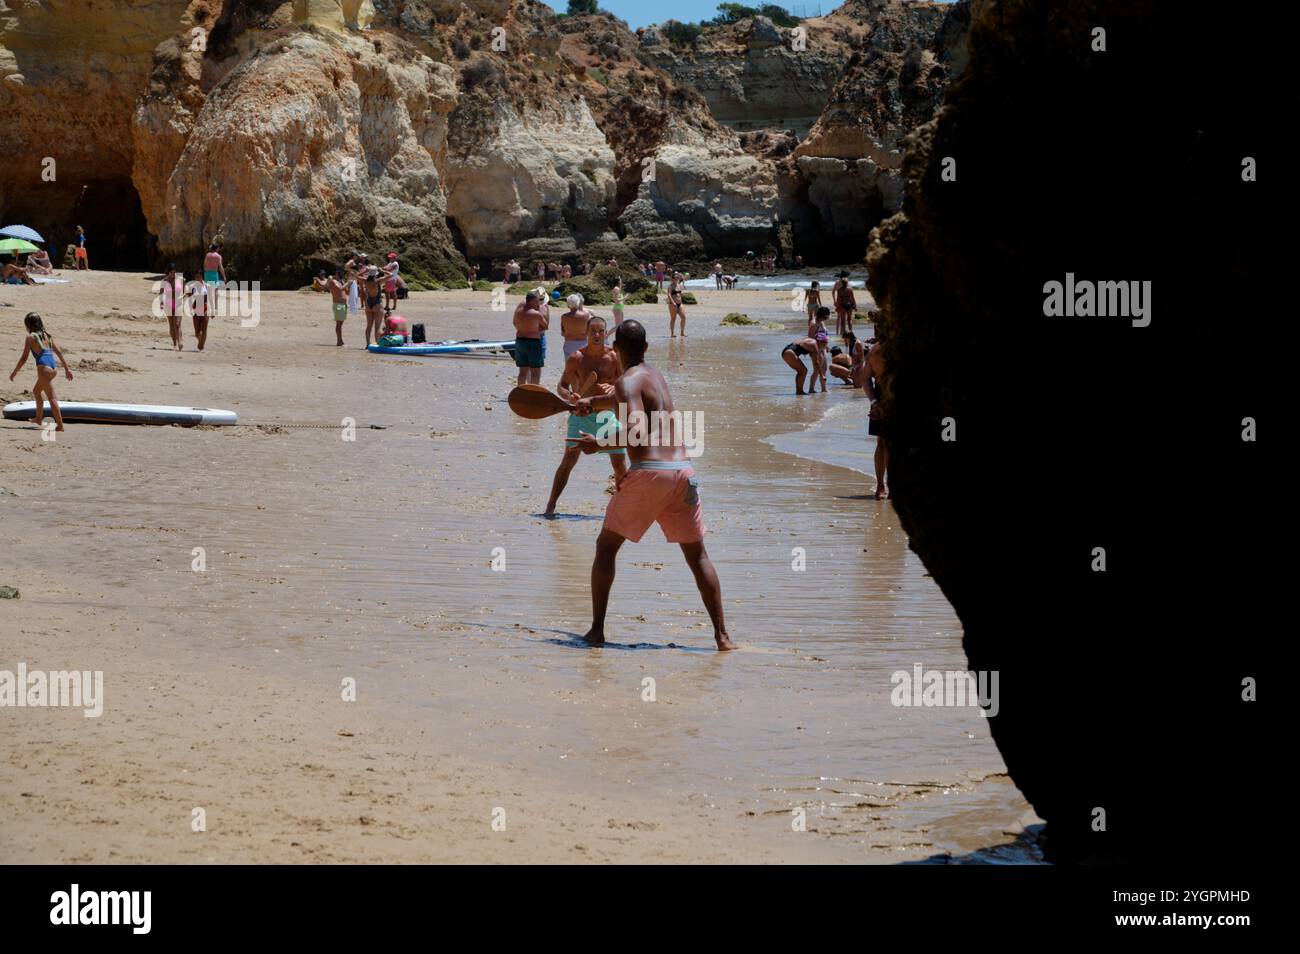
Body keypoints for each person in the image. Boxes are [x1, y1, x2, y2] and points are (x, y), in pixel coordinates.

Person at [571, 319, 735, 651]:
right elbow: (640, 407)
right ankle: (722, 637)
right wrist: (593, 403)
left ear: (615, 351)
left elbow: (636, 429)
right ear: (645, 348)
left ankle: (597, 630)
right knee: (697, 555)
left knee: (606, 547)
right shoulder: (655, 376)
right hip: (683, 471)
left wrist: (597, 443)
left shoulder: (625, 382)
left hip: (651, 473)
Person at [544, 316, 627, 516]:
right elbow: (562, 385)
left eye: (601, 331)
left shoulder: (615, 357)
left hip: (607, 416)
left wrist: (614, 386)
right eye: (593, 331)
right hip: (580, 415)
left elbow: (628, 381)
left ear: (606, 333)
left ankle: (624, 507)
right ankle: (551, 506)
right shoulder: (576, 358)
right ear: (586, 333)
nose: (597, 335)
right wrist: (569, 396)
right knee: (569, 460)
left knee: (619, 462)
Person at [9, 312, 72, 431]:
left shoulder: (30, 337)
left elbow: (24, 358)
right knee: (36, 391)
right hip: (53, 368)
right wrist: (67, 369)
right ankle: (38, 418)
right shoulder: (47, 335)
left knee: (51, 397)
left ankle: (60, 425)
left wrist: (15, 372)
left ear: (29, 325)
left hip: (43, 369)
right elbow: (59, 353)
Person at [865, 336, 889, 499]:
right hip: (882, 397)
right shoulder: (875, 351)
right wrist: (874, 402)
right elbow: (864, 377)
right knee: (882, 442)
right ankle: (881, 484)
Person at [512, 289, 549, 385]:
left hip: (520, 341)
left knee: (522, 371)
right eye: (537, 301)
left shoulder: (519, 310)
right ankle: (534, 394)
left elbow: (514, 323)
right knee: (535, 371)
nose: (538, 304)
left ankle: (520, 392)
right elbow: (545, 326)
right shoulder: (536, 314)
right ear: (532, 301)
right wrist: (534, 327)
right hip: (533, 342)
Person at [316, 268, 348, 346]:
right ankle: (339, 341)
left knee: (341, 323)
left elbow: (346, 290)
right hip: (338, 304)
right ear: (337, 273)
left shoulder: (341, 281)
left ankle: (340, 341)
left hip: (343, 304)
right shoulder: (333, 281)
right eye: (341, 273)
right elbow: (339, 289)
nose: (342, 274)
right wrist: (348, 283)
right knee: (339, 324)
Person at [559, 293, 592, 360]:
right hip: (583, 343)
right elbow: (589, 330)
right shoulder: (585, 315)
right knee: (582, 367)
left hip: (569, 343)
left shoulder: (564, 317)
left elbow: (563, 332)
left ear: (568, 305)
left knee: (570, 367)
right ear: (578, 303)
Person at [161, 263, 185, 350]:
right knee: (171, 325)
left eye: (174, 272)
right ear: (168, 272)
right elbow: (161, 292)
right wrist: (161, 302)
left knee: (177, 324)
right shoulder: (165, 280)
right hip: (168, 304)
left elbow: (184, 291)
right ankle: (174, 343)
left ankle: (180, 342)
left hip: (178, 303)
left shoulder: (181, 279)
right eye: (171, 272)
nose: (173, 274)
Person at [189, 270, 212, 351]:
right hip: (196, 310)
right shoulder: (192, 286)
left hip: (206, 309)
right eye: (196, 277)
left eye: (199, 277)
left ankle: (201, 345)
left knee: (204, 330)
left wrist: (213, 311)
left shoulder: (207, 286)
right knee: (197, 332)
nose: (198, 278)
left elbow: (211, 299)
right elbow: (189, 295)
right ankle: (201, 342)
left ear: (202, 277)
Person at [362, 266, 384, 347]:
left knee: (369, 326)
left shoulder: (365, 281)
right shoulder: (378, 281)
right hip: (377, 303)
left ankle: (367, 344)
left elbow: (355, 275)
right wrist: (383, 270)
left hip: (368, 304)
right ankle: (377, 344)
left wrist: (364, 271)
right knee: (377, 327)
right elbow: (391, 275)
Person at [667, 272, 686, 337]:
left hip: (680, 304)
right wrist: (673, 302)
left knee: (683, 317)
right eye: (674, 278)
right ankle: (672, 333)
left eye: (677, 278)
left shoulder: (679, 285)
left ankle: (682, 332)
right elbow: (669, 295)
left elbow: (679, 294)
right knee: (673, 318)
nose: (676, 279)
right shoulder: (670, 286)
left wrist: (681, 301)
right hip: (672, 304)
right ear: (672, 279)